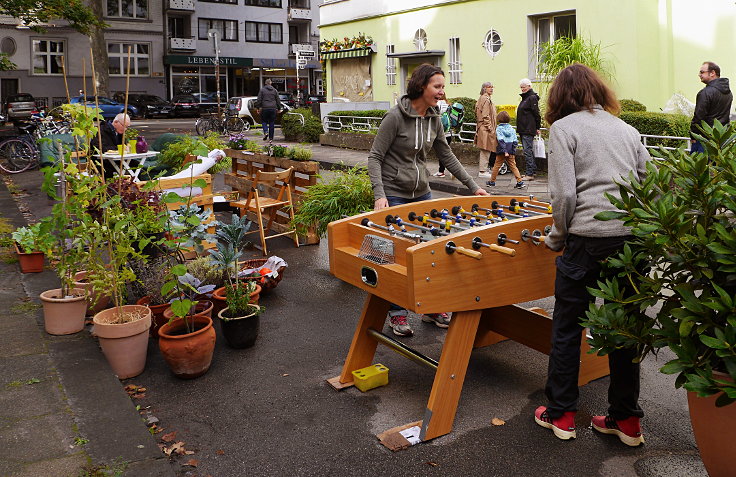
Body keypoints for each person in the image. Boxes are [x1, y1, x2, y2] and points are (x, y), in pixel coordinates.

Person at [534, 64, 650, 446]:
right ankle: (626, 420)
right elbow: (651, 184)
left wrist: (558, 236)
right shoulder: (627, 129)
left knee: (568, 327)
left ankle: (562, 414)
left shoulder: (563, 129)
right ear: (598, 91)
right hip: (631, 243)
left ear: (559, 97)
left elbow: (564, 194)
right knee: (624, 330)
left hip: (585, 239)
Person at [368, 63, 489, 337]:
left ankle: (432, 308)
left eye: (443, 87)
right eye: (437, 86)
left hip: (422, 192)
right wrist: (380, 195)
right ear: (422, 86)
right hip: (394, 193)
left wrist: (473, 186)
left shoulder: (434, 117)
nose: (441, 92)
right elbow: (374, 157)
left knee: (430, 252)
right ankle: (397, 313)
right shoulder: (395, 117)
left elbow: (446, 155)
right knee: (398, 255)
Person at [690, 61, 732, 153]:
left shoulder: (705, 93)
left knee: (700, 166)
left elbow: (698, 117)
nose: (699, 75)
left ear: (712, 73)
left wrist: (693, 135)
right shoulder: (728, 93)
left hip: (705, 140)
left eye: (702, 72)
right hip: (722, 139)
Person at [486, 111, 524, 189]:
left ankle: (492, 182)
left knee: (496, 166)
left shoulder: (499, 129)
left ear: (499, 119)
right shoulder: (512, 129)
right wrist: (512, 151)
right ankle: (519, 181)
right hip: (511, 151)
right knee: (513, 166)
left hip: (501, 151)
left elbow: (501, 140)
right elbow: (515, 141)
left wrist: (504, 150)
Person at [516, 78, 541, 181]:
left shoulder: (531, 98)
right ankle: (532, 171)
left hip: (527, 129)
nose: (522, 89)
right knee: (528, 151)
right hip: (524, 128)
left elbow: (536, 114)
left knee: (527, 151)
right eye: (521, 87)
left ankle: (529, 174)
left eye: (524, 87)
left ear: (529, 86)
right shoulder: (526, 98)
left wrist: (537, 127)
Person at [474, 82, 497, 178]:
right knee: (485, 149)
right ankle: (482, 171)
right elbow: (485, 115)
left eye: (492, 87)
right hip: (485, 128)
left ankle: (484, 169)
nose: (491, 89)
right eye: (489, 87)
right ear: (484, 88)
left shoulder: (482, 98)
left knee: (486, 149)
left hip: (482, 127)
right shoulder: (486, 99)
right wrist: (490, 129)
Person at [256, 79, 283, 143]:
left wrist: (258, 108)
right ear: (271, 83)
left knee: (264, 121)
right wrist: (279, 108)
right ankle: (271, 138)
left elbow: (259, 99)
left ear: (265, 83)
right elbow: (278, 100)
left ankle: (265, 131)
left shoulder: (262, 90)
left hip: (265, 108)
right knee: (272, 123)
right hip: (273, 108)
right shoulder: (275, 90)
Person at [433, 91, 451, 177]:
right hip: (449, 133)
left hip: (440, 133)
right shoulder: (448, 105)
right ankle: (452, 171)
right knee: (447, 153)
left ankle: (441, 171)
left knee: (441, 154)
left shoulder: (437, 104)